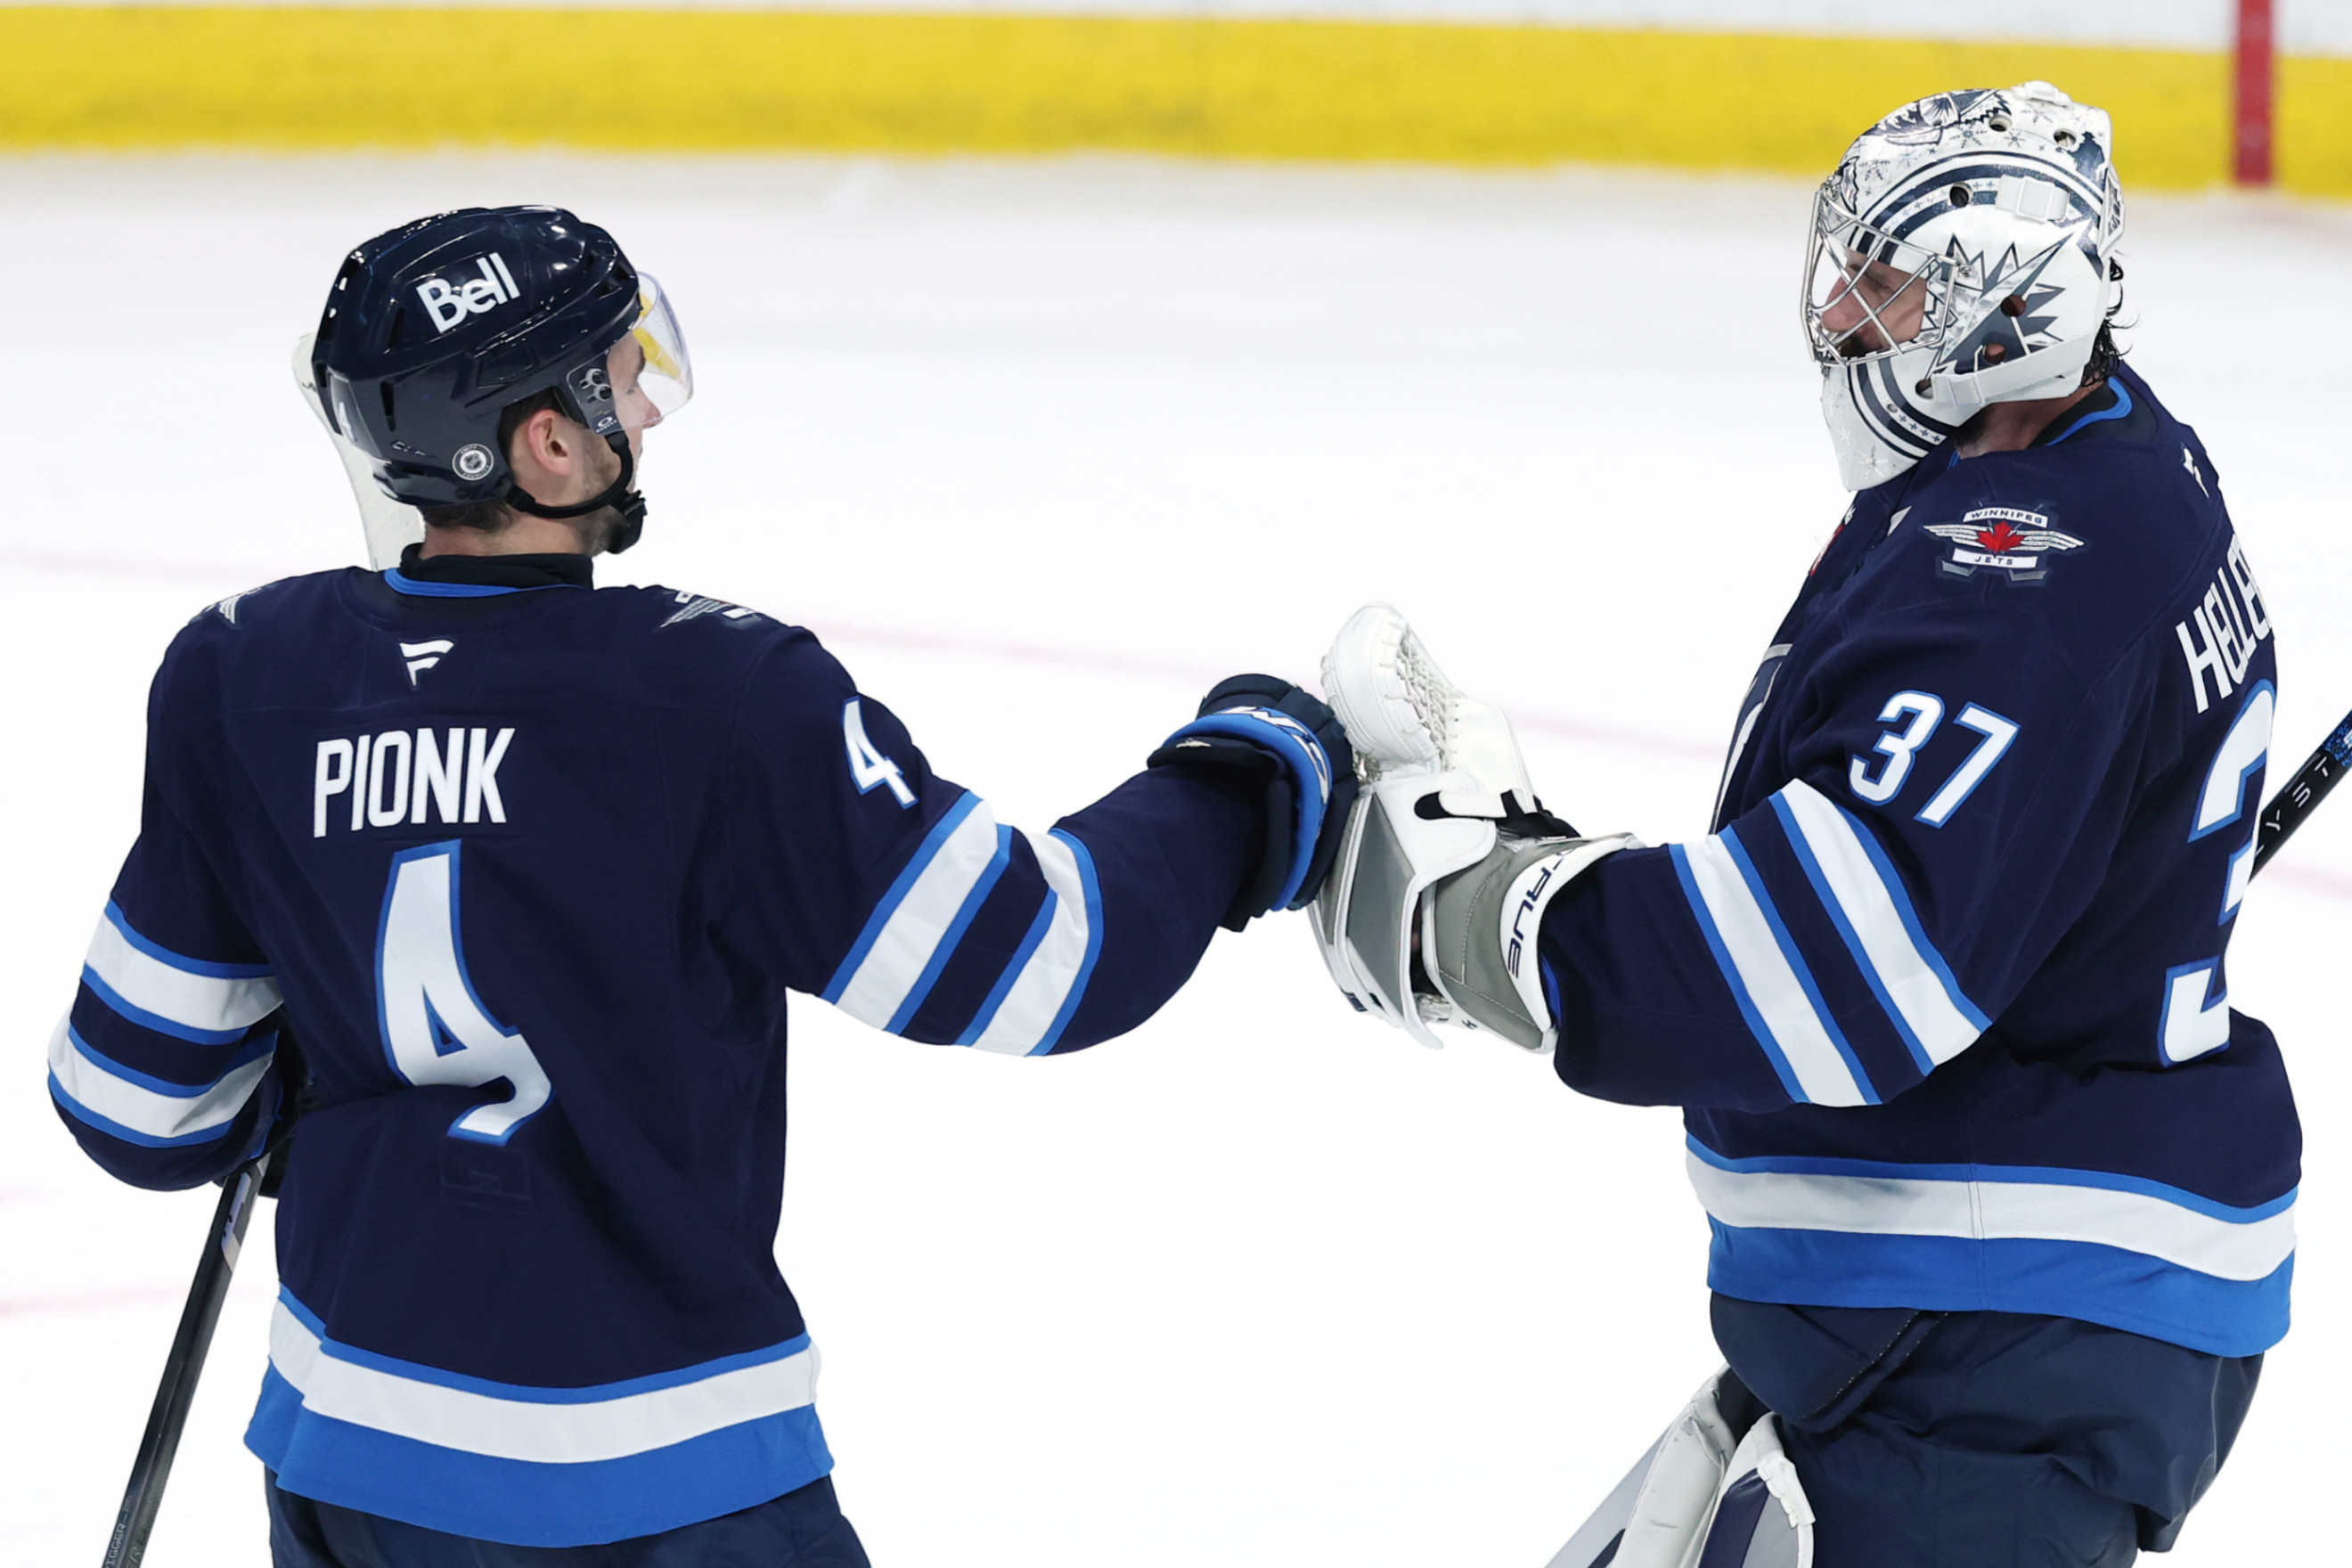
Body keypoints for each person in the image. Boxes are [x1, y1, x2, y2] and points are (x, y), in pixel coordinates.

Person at [46, 205, 1353, 1566]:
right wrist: (1239, 782)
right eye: (621, 379)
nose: (646, 414)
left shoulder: (246, 674)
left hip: (351, 1472)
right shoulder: (713, 695)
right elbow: (1035, 960)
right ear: (544, 442)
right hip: (658, 1489)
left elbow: (135, 1108)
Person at [1310, 83, 2291, 1567]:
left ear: (2003, 301)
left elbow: (1831, 971)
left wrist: (1497, 918)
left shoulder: (2016, 574)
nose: (1844, 319)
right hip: (1971, 1312)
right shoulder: (2098, 464)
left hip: (1992, 1346)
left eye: (1887, 285)